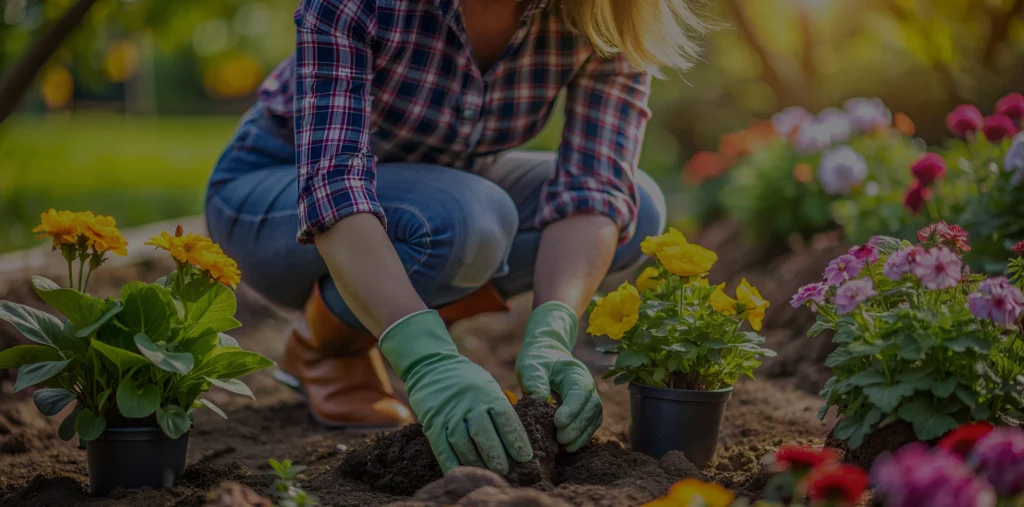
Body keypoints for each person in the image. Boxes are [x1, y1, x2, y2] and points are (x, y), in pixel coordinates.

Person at [206, 0, 706, 476]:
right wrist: (429, 361)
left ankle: (331, 331)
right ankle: (332, 345)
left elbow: (594, 187)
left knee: (636, 208)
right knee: (467, 222)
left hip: (448, 191)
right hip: (277, 189)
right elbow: (334, 186)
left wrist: (553, 330)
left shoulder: (602, 11)